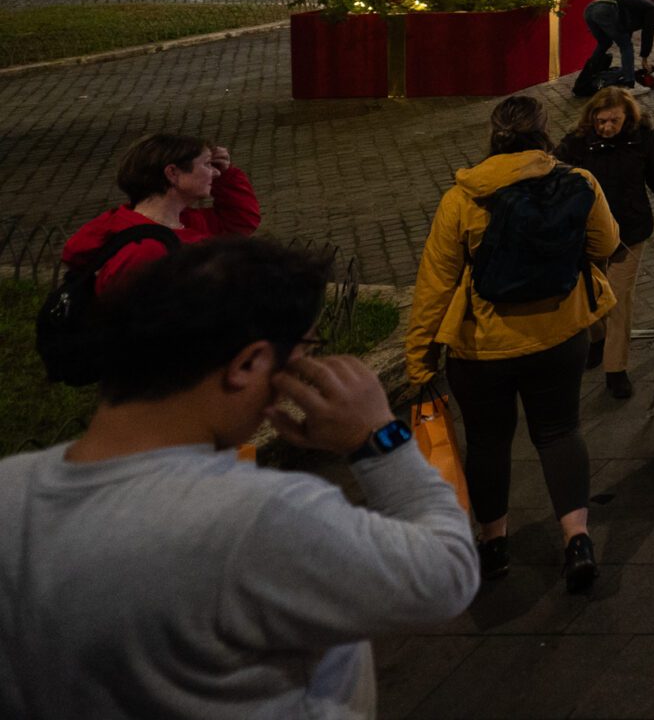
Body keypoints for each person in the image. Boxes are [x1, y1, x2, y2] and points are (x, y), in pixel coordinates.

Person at [0, 238, 479, 718]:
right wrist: (377, 439)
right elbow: (448, 573)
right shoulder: (255, 517)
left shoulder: (10, 491)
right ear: (248, 365)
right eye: (302, 354)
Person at [406, 94, 620, 592]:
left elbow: (435, 285)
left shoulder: (463, 199)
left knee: (488, 442)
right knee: (560, 433)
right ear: (544, 132)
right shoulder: (579, 182)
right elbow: (606, 244)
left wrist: (420, 363)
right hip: (559, 335)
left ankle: (495, 543)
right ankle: (578, 541)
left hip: (482, 350)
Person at [554, 86, 654, 400]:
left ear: (627, 117)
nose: (607, 128)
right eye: (601, 121)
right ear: (591, 118)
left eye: (614, 121)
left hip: (629, 232)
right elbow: (552, 175)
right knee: (589, 295)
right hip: (588, 235)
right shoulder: (575, 144)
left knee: (619, 300)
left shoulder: (642, 137)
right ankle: (597, 339)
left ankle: (616, 369)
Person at [60, 132, 261, 300]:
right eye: (207, 164)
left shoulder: (182, 222)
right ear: (172, 173)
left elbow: (239, 221)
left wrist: (228, 174)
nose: (216, 174)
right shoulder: (146, 250)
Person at [573, 0, 654, 95]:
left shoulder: (637, 5)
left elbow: (627, 29)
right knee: (626, 46)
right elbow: (648, 33)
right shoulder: (652, 8)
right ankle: (630, 85)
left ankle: (586, 77)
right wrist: (644, 59)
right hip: (606, 10)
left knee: (604, 43)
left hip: (590, 9)